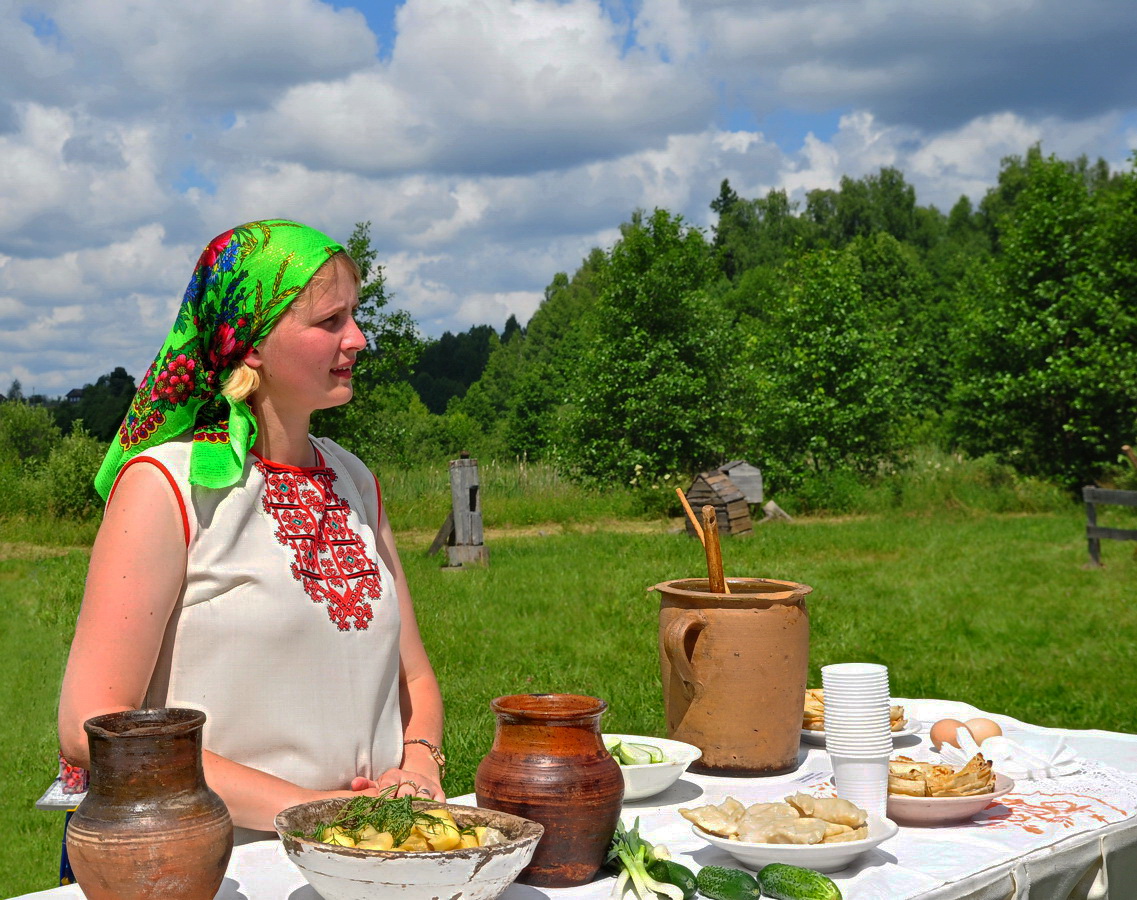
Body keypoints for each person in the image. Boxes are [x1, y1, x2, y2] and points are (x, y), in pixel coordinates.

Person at [58, 220, 445, 842]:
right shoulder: (166, 486)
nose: (359, 339)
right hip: (215, 866)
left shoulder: (354, 479)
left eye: (355, 315)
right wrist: (310, 813)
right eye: (330, 322)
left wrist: (421, 765)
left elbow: (415, 680)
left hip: (372, 855)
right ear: (252, 343)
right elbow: (92, 723)